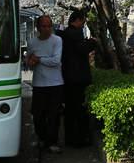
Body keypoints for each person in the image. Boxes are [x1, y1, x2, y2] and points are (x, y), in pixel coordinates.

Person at [26, 15, 64, 153]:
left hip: (55, 83)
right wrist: (31, 61)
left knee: (54, 114)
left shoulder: (57, 40)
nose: (47, 29)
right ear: (38, 28)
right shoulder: (32, 42)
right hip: (39, 83)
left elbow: (56, 61)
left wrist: (39, 59)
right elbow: (28, 61)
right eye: (44, 26)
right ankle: (42, 138)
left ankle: (52, 141)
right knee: (38, 115)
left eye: (49, 26)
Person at [58, 9, 94, 147]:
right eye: (83, 22)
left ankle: (70, 138)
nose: (83, 25)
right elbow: (82, 49)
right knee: (79, 109)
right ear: (77, 20)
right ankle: (79, 139)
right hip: (78, 78)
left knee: (69, 110)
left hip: (67, 77)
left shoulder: (64, 34)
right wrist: (92, 43)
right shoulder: (75, 33)